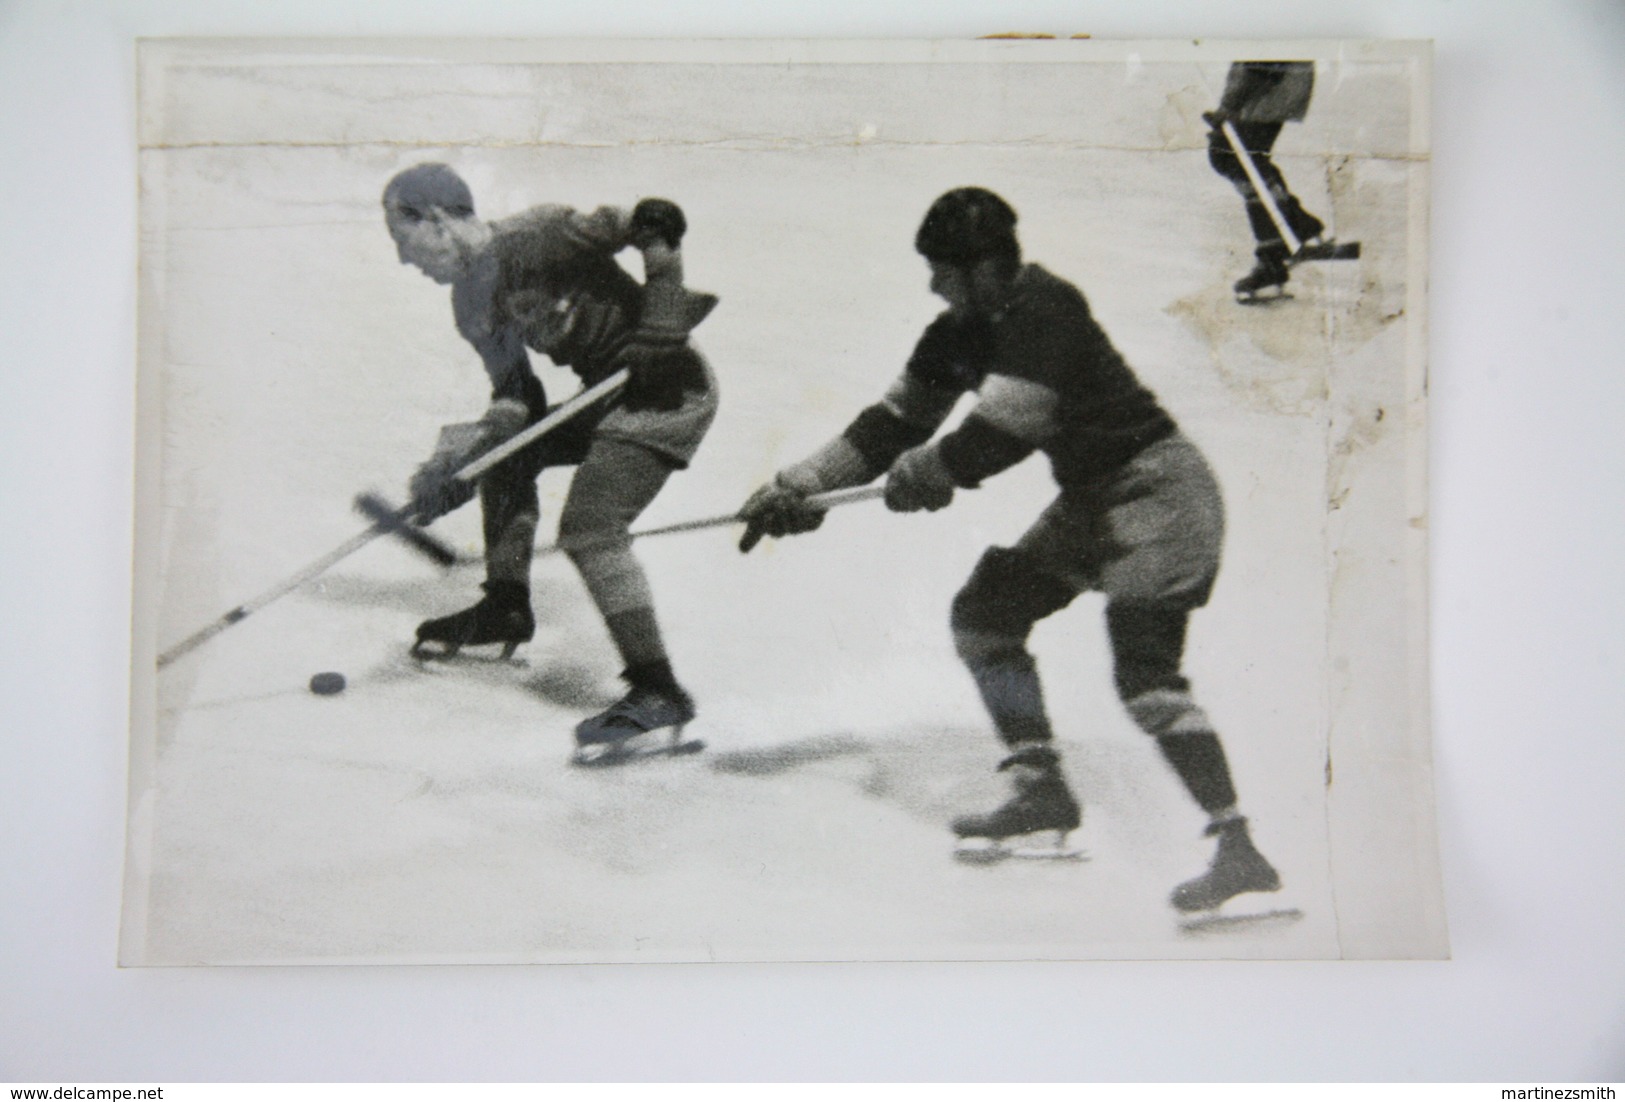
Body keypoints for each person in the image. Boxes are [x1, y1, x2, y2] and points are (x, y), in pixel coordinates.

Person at [737, 187, 1280, 912]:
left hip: (1159, 495)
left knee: (1146, 675)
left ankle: (1239, 851)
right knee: (986, 614)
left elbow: (1005, 430)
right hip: (1094, 499)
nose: (931, 284)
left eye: (941, 270)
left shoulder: (1045, 310)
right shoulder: (957, 330)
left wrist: (929, 473)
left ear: (984, 268)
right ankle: (1042, 795)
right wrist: (798, 486)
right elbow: (889, 425)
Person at [381, 162, 718, 761]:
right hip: (604, 397)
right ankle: (505, 604)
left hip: (667, 390)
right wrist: (461, 467)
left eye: (401, 240)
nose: (405, 260)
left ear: (434, 219)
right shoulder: (469, 304)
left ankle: (658, 688)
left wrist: (662, 321)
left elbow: (655, 222)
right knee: (509, 459)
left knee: (591, 529)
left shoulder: (541, 235)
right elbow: (518, 399)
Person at [1204, 60, 1334, 302]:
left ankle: (1275, 251)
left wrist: (1228, 106)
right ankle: (1296, 226)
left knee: (1233, 157)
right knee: (1241, 161)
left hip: (1268, 85)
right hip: (1271, 85)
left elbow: (1259, 60)